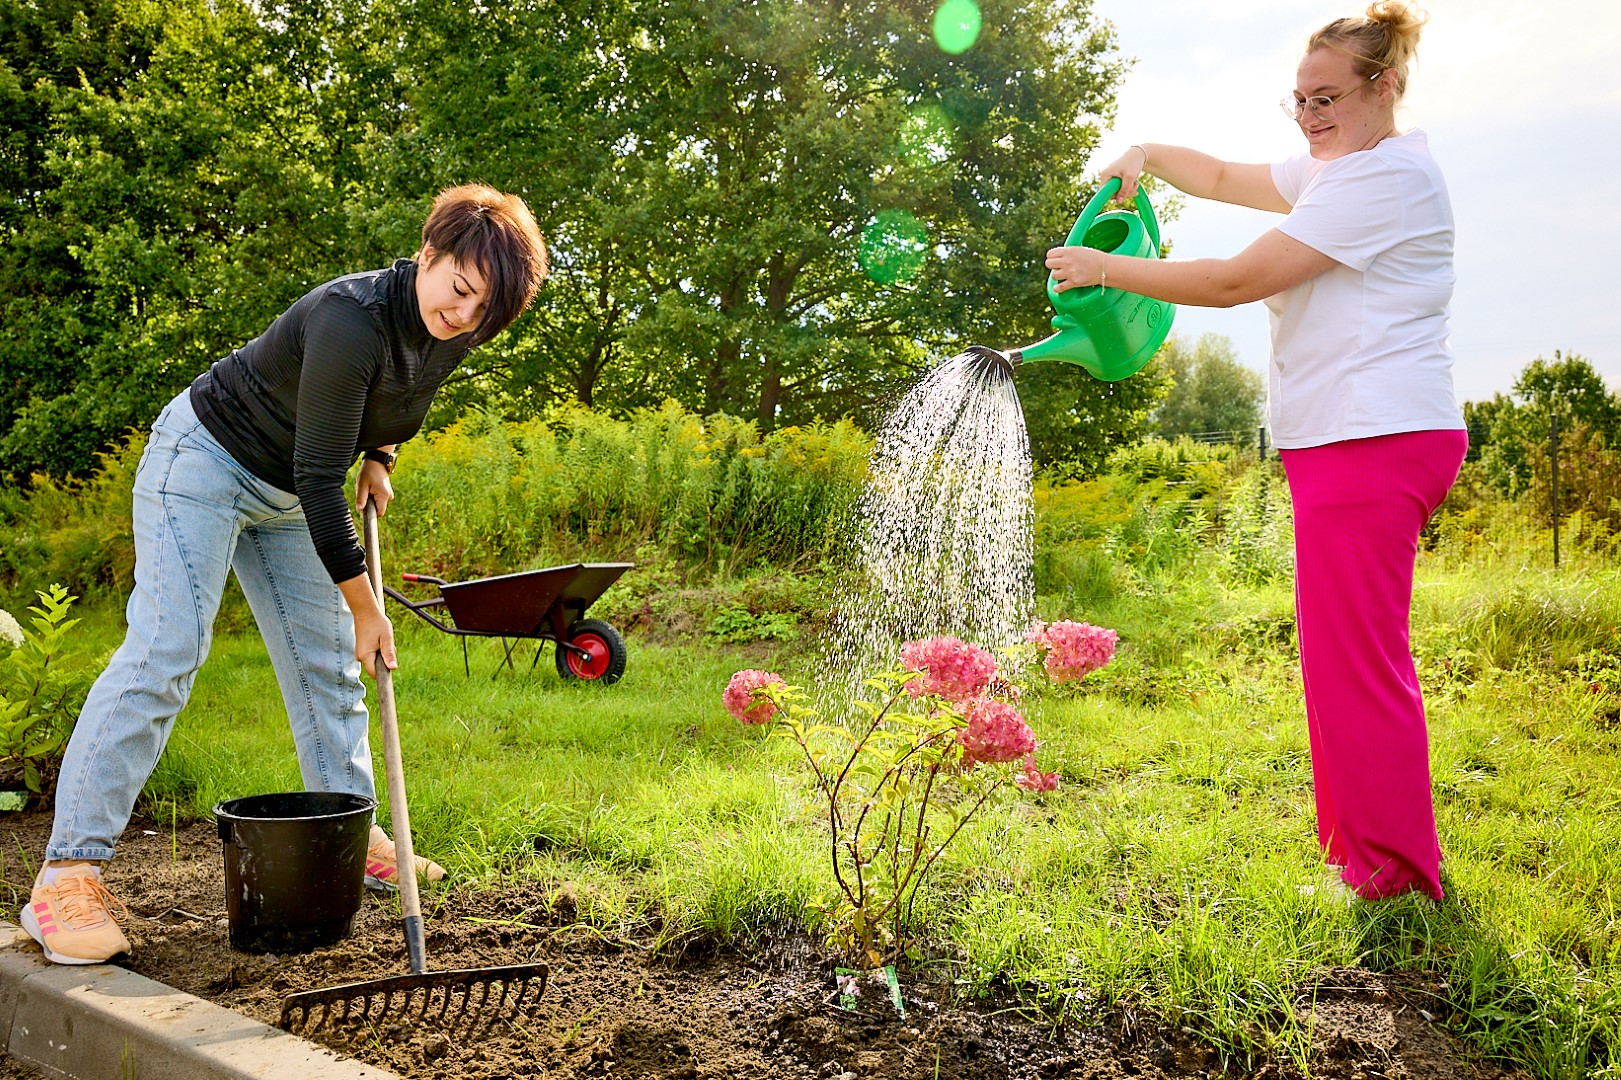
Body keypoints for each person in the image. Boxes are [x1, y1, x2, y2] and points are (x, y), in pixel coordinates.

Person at [22, 184, 549, 964]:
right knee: (166, 651)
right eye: (461, 292)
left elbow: (399, 395)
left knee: (329, 668)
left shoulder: (455, 327)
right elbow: (314, 474)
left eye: (485, 312)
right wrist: (367, 604)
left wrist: (380, 457)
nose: (466, 317)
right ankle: (65, 875)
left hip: (286, 489)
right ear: (428, 255)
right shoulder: (349, 317)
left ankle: (350, 833)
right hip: (204, 460)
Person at [1045, 1, 1464, 901]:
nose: (1309, 115)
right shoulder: (1338, 168)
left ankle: (1391, 874)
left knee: (1358, 661)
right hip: (1349, 439)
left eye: (1326, 97)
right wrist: (1144, 155)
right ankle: (1361, 858)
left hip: (1373, 438)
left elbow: (1237, 281)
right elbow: (1226, 174)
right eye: (1298, 99)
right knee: (1338, 656)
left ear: (1382, 85)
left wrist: (1104, 269)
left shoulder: (1379, 182)